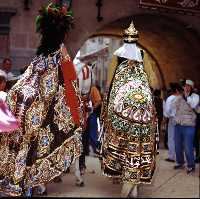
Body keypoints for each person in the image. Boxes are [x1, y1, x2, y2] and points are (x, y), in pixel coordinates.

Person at [0, 2, 83, 196]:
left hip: (18, 109)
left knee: (17, 149)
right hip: (36, 115)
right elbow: (70, 87)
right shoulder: (60, 56)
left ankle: (14, 180)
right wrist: (77, 117)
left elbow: (23, 83)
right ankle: (23, 183)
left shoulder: (38, 58)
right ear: (62, 34)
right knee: (29, 152)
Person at [100, 22, 158, 198]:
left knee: (115, 138)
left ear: (124, 40)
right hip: (143, 109)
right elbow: (153, 81)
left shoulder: (116, 55)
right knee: (142, 142)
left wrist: (106, 107)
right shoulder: (143, 54)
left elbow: (110, 84)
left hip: (121, 109)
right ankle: (135, 178)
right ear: (137, 41)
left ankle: (122, 173)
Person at [173, 79, 199, 174]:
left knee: (188, 146)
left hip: (189, 125)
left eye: (188, 86)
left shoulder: (195, 97)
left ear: (191, 87)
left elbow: (193, 104)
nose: (186, 87)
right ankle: (180, 162)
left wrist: (186, 97)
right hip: (178, 124)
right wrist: (179, 97)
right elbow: (174, 106)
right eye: (185, 86)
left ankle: (191, 165)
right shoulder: (180, 96)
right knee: (177, 146)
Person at [164, 82, 183, 162]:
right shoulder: (182, 98)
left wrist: (167, 116)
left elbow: (167, 111)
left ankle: (172, 156)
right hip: (182, 119)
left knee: (171, 138)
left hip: (173, 119)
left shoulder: (170, 98)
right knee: (180, 138)